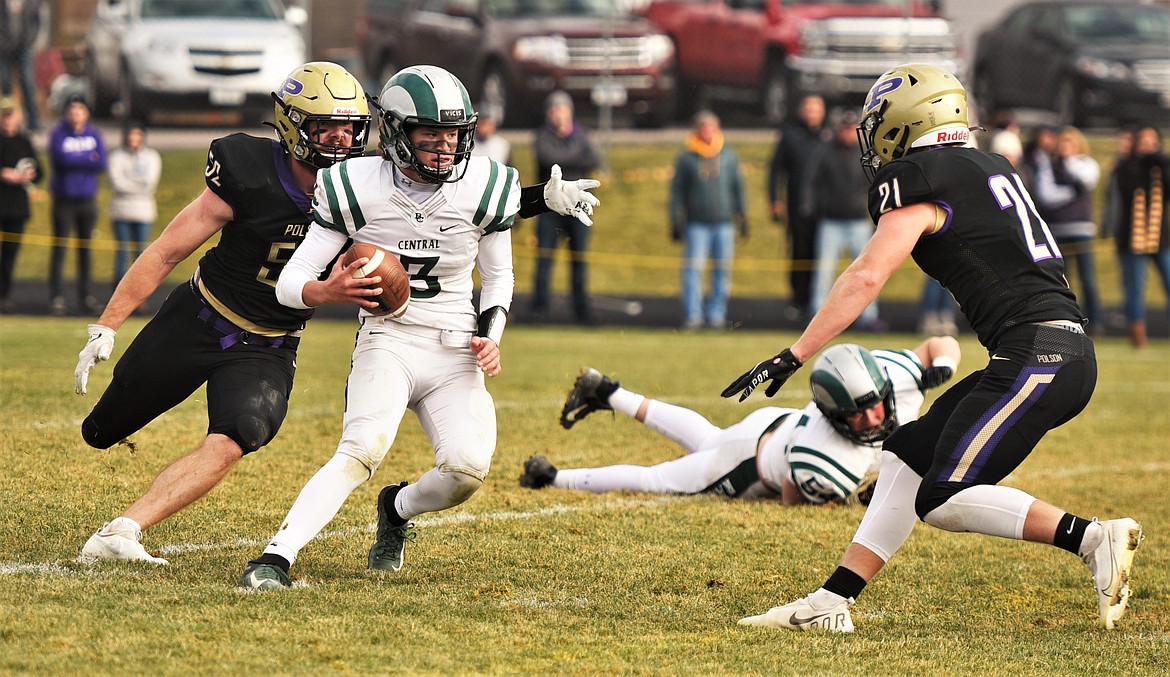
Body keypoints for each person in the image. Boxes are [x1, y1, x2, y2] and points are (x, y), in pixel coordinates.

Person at [723, 64, 1143, 633]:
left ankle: (1094, 538)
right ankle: (832, 601)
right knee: (905, 455)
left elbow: (867, 276)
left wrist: (793, 354)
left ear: (903, 124)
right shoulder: (989, 164)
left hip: (1037, 354)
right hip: (1047, 350)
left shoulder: (922, 177)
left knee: (943, 496)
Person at [236, 66, 601, 591]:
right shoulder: (352, 185)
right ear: (397, 133)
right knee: (361, 449)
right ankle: (275, 558)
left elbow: (499, 277)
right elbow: (289, 282)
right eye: (430, 135)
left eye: (452, 135)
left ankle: (396, 509)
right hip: (389, 338)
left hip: (455, 345)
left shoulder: (487, 184)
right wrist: (327, 290)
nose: (444, 147)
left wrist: (490, 337)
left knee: (466, 471)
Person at [73, 62, 377, 565]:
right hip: (199, 318)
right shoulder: (249, 169)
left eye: (351, 128)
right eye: (327, 127)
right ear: (293, 126)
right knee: (100, 431)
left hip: (269, 343)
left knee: (241, 433)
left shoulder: (365, 188)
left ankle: (123, 530)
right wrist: (106, 324)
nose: (342, 140)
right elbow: (166, 252)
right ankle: (114, 430)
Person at [521, 338, 960, 503]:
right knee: (658, 480)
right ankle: (551, 477)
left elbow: (940, 343)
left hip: (767, 425)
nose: (872, 417)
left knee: (708, 436)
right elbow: (792, 492)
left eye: (874, 404)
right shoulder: (826, 458)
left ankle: (611, 392)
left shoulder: (892, 377)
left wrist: (941, 366)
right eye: (856, 412)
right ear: (833, 415)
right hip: (752, 462)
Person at [669, 110, 747, 330]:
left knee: (722, 271)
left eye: (711, 127)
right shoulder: (687, 158)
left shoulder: (729, 155)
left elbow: (738, 187)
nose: (707, 132)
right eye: (703, 127)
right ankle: (693, 315)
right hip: (697, 223)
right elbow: (677, 192)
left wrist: (743, 215)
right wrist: (675, 219)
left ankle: (716, 315)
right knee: (694, 271)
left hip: (724, 222)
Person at [530, 89, 601, 324]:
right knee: (544, 259)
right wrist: (574, 158)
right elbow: (548, 159)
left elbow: (594, 159)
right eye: (553, 110)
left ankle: (582, 310)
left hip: (577, 208)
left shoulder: (583, 135)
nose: (557, 115)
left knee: (579, 260)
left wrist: (565, 159)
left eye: (561, 109)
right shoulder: (543, 136)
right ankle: (539, 308)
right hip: (550, 209)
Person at [809, 110, 881, 332]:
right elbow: (813, 182)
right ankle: (817, 316)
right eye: (845, 128)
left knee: (868, 273)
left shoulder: (865, 155)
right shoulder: (826, 152)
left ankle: (868, 316)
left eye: (852, 128)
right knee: (824, 271)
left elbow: (875, 184)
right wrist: (818, 206)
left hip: (859, 221)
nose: (849, 133)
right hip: (831, 221)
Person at [1030, 126, 1103, 335]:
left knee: (1087, 277)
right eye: (1063, 143)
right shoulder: (1048, 166)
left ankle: (1096, 321)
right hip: (1057, 229)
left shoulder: (1086, 164)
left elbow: (1087, 180)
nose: (1066, 147)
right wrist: (1073, 191)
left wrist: (1069, 163)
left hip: (1082, 228)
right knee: (1062, 279)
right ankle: (1067, 319)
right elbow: (1047, 196)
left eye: (1070, 143)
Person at [768, 94, 829, 320]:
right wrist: (775, 200)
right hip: (799, 207)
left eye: (817, 109)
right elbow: (776, 170)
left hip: (826, 210)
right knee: (799, 253)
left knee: (823, 256)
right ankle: (798, 300)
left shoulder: (829, 137)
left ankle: (819, 302)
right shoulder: (791, 136)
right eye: (809, 109)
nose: (812, 113)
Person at [1109, 124, 1169, 348]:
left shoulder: (1160, 167)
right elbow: (1126, 191)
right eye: (1143, 141)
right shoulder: (1127, 166)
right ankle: (1136, 332)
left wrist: (1161, 164)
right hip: (1131, 238)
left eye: (1152, 142)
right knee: (1134, 286)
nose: (1148, 146)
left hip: (1161, 237)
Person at [48, 94, 107, 316]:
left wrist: (79, 159)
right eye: (72, 110)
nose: (75, 114)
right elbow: (60, 160)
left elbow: (101, 162)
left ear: (86, 113)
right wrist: (86, 158)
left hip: (87, 199)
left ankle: (86, 296)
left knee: (85, 250)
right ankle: (56, 295)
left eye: (79, 110)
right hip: (64, 200)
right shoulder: (58, 134)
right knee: (60, 249)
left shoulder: (94, 134)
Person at [107, 119, 162, 287]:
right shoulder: (116, 156)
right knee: (122, 253)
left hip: (143, 212)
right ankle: (118, 291)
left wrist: (129, 183)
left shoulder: (151, 157)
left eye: (137, 134)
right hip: (121, 211)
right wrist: (138, 184)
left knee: (141, 255)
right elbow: (117, 183)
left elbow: (150, 183)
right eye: (131, 134)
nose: (133, 138)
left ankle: (139, 291)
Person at [0, 95, 41, 313]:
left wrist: (29, 175)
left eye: (10, 115)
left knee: (9, 254)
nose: (7, 119)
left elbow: (39, 171)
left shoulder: (24, 142)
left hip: (16, 208)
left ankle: (4, 295)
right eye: (4, 115)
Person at [0, 0, 43, 131]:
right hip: (4, 48)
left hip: (24, 47)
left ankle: (33, 121)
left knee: (27, 83)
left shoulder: (32, 3)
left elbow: (37, 22)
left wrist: (30, 40)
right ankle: (9, 123)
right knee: (7, 85)